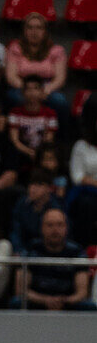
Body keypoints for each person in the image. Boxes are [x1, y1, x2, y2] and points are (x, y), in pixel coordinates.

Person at [11, 207, 95, 310]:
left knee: (90, 307)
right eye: (50, 225)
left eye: (60, 225)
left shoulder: (77, 252)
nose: (55, 230)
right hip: (37, 301)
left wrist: (64, 301)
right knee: (16, 303)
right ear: (41, 228)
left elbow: (82, 293)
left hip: (67, 302)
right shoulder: (30, 250)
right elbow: (21, 290)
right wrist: (46, 300)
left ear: (66, 228)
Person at [5, 14, 68, 134]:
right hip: (21, 86)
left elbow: (60, 78)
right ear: (24, 30)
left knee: (60, 101)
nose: (34, 32)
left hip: (47, 88)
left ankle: (59, 139)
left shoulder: (57, 50)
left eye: (39, 28)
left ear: (45, 31)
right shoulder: (15, 48)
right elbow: (11, 77)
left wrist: (44, 90)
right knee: (13, 98)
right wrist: (28, 90)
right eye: (30, 27)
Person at [7, 76, 58, 169]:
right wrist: (29, 152)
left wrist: (38, 154)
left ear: (42, 91)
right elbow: (15, 140)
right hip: (21, 152)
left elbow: (48, 140)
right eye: (28, 89)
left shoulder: (51, 113)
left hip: (42, 153)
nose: (32, 93)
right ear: (22, 92)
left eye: (36, 88)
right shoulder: (14, 112)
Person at [10, 168, 62, 254]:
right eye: (31, 184)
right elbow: (16, 231)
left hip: (50, 250)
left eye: (39, 185)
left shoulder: (57, 208)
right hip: (26, 251)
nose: (33, 189)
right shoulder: (22, 205)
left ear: (49, 188)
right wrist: (18, 250)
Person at [67, 107, 97, 250]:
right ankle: (84, 248)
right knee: (87, 203)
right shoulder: (82, 146)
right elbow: (77, 177)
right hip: (88, 193)